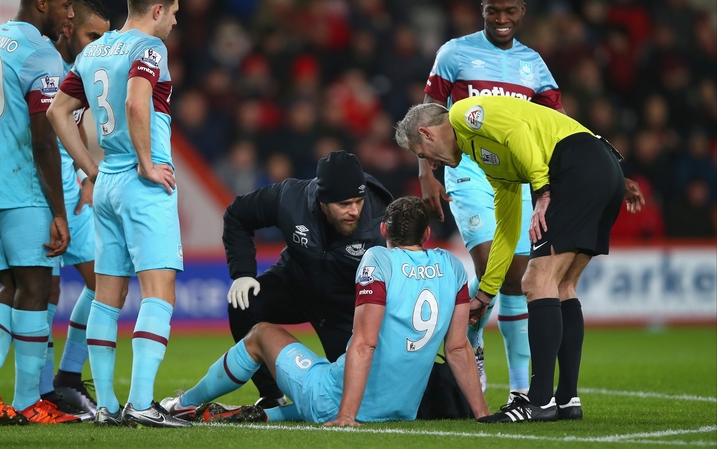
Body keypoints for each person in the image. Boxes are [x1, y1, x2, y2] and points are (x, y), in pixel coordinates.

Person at [395, 97, 645, 423]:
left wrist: (542, 191)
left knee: (535, 281)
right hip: (599, 166)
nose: (431, 164)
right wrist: (485, 293)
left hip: (575, 167)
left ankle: (537, 401)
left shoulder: (461, 114)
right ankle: (567, 399)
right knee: (563, 286)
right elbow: (507, 230)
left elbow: (516, 131)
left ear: (427, 134)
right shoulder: (491, 160)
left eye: (421, 155)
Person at [160, 196, 490, 425]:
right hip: (401, 408)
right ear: (427, 234)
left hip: (339, 399)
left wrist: (345, 416)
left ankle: (184, 402)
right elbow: (458, 347)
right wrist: (482, 415)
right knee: (320, 386)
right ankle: (259, 415)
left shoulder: (379, 260)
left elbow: (365, 343)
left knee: (262, 334)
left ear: (384, 231)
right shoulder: (451, 266)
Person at [47, 0, 188, 428]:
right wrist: (146, 162)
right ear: (158, 9)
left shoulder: (93, 50)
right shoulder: (149, 47)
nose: (177, 21)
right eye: (175, 11)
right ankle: (142, 403)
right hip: (143, 185)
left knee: (108, 297)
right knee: (158, 291)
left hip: (106, 182)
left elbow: (57, 111)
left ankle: (106, 406)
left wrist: (92, 169)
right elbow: (135, 101)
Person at [419, 0, 565, 398]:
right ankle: (472, 347)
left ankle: (519, 389)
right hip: (467, 170)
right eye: (493, 11)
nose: (501, 19)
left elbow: (555, 120)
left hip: (514, 177)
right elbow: (427, 116)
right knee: (488, 262)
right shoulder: (453, 52)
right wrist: (425, 172)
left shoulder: (533, 63)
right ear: (482, 9)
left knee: (515, 280)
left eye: (509, 11)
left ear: (522, 10)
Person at [0, 0, 81, 426]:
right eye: (65, 4)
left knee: (12, 288)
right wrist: (59, 212)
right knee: (35, 289)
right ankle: (30, 401)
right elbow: (44, 140)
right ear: (42, 3)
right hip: (21, 188)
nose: (70, 13)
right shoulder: (41, 55)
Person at [215, 150, 393, 409]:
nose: (354, 210)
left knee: (358, 400)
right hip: (294, 286)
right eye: (344, 204)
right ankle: (271, 394)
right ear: (322, 200)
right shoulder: (290, 198)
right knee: (243, 304)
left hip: (345, 308)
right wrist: (242, 273)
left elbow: (399, 278)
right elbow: (237, 215)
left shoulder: (382, 219)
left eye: (359, 200)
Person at [36, 0, 110, 420]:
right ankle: (54, 384)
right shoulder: (48, 70)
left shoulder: (80, 75)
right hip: (49, 190)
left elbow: (73, 122)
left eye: (104, 37)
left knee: (91, 283)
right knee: (58, 288)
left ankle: (58, 382)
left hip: (71, 186)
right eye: (91, 36)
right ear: (68, 32)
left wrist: (85, 176)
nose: (98, 45)